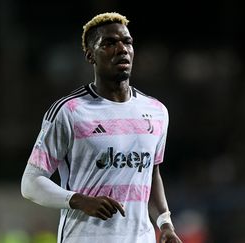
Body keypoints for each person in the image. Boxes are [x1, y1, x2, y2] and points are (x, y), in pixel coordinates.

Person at [21, 12, 182, 243]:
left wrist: (165, 224)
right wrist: (79, 200)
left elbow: (151, 173)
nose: (121, 49)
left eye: (127, 42)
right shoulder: (70, 111)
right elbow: (30, 182)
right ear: (90, 55)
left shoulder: (156, 112)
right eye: (109, 43)